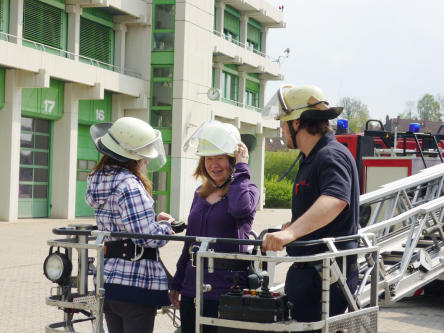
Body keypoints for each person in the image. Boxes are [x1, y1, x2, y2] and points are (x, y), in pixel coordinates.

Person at [261, 85, 360, 323]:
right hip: (312, 275)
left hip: (325, 277)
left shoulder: (330, 155)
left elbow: (335, 200)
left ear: (297, 123)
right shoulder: (312, 158)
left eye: (283, 124)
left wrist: (290, 234)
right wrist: (296, 226)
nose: (282, 131)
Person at [169, 120, 259, 333]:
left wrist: (242, 169)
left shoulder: (248, 191)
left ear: (233, 159)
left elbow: (239, 209)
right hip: (193, 287)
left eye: (220, 158)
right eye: (209, 158)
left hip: (227, 289)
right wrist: (177, 282)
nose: (213, 164)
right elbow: (190, 242)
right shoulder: (200, 193)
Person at [86, 117, 174, 333]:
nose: (145, 161)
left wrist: (151, 220)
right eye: (143, 156)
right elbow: (146, 237)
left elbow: (122, 224)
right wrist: (166, 226)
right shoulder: (129, 185)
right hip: (134, 282)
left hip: (109, 279)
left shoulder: (97, 180)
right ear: (133, 157)